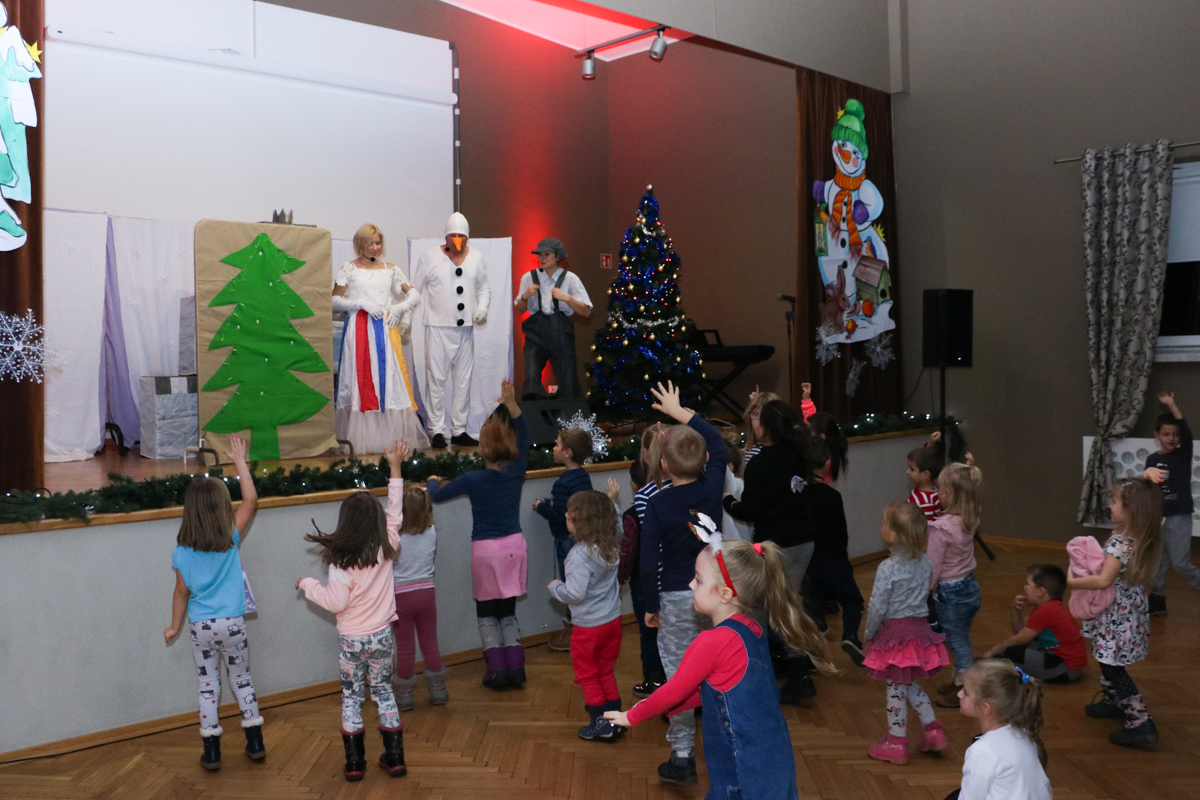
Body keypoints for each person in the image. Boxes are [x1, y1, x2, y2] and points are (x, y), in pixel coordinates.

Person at [605, 540, 836, 798]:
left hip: (742, 761)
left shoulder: (711, 642)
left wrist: (632, 715)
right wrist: (676, 708)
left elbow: (673, 690)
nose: (690, 585)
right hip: (773, 750)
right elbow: (719, 687)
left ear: (725, 594)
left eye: (698, 580)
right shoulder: (752, 627)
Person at [297, 441, 411, 781]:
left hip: (352, 641)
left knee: (351, 697)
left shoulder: (341, 562)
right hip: (381, 636)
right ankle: (395, 758)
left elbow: (335, 603)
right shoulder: (387, 546)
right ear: (376, 520)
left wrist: (308, 585)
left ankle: (354, 763)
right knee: (383, 692)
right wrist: (395, 467)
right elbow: (395, 513)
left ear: (345, 522)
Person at [640, 380, 728, 786]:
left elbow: (647, 562)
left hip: (676, 598)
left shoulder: (658, 504)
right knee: (720, 669)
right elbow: (718, 442)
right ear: (704, 459)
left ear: (663, 466)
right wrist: (681, 414)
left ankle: (681, 756)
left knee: (679, 677)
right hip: (719, 593)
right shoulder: (712, 486)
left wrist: (650, 606)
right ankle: (726, 743)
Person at [164, 433, 263, 771]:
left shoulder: (181, 552)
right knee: (242, 680)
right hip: (233, 624)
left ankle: (212, 751)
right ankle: (255, 742)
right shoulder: (230, 537)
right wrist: (240, 462)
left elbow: (181, 592)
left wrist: (174, 626)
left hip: (201, 628)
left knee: (208, 687)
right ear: (222, 508)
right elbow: (250, 499)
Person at [427, 381, 530, 689]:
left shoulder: (472, 479)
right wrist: (512, 406)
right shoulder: (516, 472)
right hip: (514, 548)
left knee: (486, 614)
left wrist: (431, 479)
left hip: (485, 552)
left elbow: (437, 495)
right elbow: (525, 434)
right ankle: (516, 667)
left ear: (483, 448)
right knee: (508, 612)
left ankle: (496, 669)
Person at [722, 399, 820, 700]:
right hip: (804, 541)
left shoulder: (761, 463)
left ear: (764, 428)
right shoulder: (800, 453)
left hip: (776, 547)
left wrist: (727, 500)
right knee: (786, 604)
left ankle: (767, 670)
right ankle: (798, 668)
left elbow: (749, 510)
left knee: (763, 609)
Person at [1069, 477, 1164, 747]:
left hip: (1115, 615)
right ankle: (1114, 701)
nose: (1110, 505)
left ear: (1131, 509)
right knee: (1108, 658)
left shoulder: (1120, 543)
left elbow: (1103, 581)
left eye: (1114, 501)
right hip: (1127, 612)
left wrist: (1073, 581)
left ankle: (1140, 721)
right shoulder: (1140, 537)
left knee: (1113, 665)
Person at [862, 502, 951, 765]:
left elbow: (877, 606)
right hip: (920, 630)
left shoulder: (887, 568)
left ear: (892, 534)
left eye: (884, 523)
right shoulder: (925, 562)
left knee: (895, 690)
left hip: (896, 636)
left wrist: (870, 632)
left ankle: (896, 742)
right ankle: (933, 731)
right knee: (909, 684)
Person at [333, 224, 429, 454]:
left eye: (378, 243)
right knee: (362, 382)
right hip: (359, 331)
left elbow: (414, 294)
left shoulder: (390, 269)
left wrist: (399, 309)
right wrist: (360, 304)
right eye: (370, 243)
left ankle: (388, 440)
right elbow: (334, 301)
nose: (375, 247)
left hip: (385, 332)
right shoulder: (349, 268)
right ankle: (364, 440)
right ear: (360, 244)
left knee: (387, 382)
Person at [548, 490, 624, 740]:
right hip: (612, 621)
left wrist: (556, 587)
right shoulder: (612, 543)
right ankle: (616, 720)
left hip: (588, 627)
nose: (566, 516)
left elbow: (575, 594)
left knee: (588, 674)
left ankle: (600, 724)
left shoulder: (578, 556)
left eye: (571, 515)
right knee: (605, 669)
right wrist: (613, 503)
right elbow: (618, 525)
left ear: (582, 524)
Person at [414, 212, 491, 449]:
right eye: (453, 236)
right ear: (446, 237)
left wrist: (482, 309)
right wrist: (405, 319)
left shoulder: (476, 258)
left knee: (463, 381)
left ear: (468, 237)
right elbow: (414, 290)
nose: (458, 240)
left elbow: (484, 288)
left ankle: (459, 430)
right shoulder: (429, 257)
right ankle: (436, 430)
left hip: (465, 330)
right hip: (437, 328)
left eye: (462, 236)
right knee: (435, 381)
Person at [798, 435, 867, 665]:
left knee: (812, 604)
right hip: (834, 559)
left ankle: (816, 637)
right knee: (852, 600)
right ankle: (850, 636)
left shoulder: (799, 496)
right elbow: (841, 531)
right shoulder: (833, 496)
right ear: (827, 463)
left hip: (810, 562)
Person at [533, 427, 595, 652]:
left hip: (566, 540)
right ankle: (586, 630)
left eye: (557, 444)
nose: (553, 448)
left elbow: (560, 516)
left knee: (571, 586)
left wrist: (541, 507)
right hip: (583, 538)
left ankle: (572, 633)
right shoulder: (583, 476)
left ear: (568, 452)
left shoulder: (562, 483)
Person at [953, 660, 1051, 800]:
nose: (959, 694)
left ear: (986, 708)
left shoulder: (982, 751)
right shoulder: (1022, 732)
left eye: (966, 692)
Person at [929, 461, 984, 708]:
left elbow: (933, 566)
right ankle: (959, 679)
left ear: (947, 493)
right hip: (970, 587)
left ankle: (967, 688)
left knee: (956, 641)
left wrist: (926, 591)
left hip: (950, 593)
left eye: (938, 488)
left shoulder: (940, 529)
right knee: (958, 636)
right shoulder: (970, 520)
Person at [1143, 391, 1200, 616]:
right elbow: (1148, 489)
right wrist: (1146, 474)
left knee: (1180, 562)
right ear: (1157, 435)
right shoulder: (1152, 460)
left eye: (1175, 435)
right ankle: (1157, 600)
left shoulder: (1182, 454)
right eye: (1166, 434)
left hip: (1179, 516)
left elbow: (1185, 431)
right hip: (1159, 517)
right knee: (1158, 560)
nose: (1171, 438)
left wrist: (1171, 404)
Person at [391, 483, 447, 710]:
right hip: (426, 593)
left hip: (400, 596)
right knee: (430, 642)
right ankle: (438, 690)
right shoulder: (431, 531)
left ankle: (405, 695)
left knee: (405, 647)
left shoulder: (394, 535)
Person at [513, 237, 592, 399]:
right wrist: (525, 297)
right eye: (539, 254)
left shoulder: (570, 279)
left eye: (547, 254)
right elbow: (519, 310)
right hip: (535, 335)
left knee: (567, 379)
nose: (542, 258)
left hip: (561, 334)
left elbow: (586, 312)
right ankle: (535, 412)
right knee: (531, 376)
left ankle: (569, 413)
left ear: (558, 257)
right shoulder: (528, 277)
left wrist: (567, 298)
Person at [980, 564, 1085, 683]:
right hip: (1069, 666)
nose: (1025, 587)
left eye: (1028, 584)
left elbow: (1018, 640)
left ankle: (1000, 671)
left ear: (1040, 591)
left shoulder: (1046, 611)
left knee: (1011, 652)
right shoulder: (1048, 608)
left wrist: (991, 652)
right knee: (1018, 647)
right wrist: (1015, 611)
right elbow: (1020, 631)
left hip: (1065, 669)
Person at [618, 458, 667, 698]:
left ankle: (653, 679)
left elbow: (627, 553)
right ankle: (670, 676)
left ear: (634, 485)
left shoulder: (631, 516)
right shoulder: (668, 503)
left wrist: (620, 578)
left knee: (648, 631)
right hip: (666, 577)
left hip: (642, 581)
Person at [906, 434, 944, 521]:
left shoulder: (924, 501)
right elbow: (927, 459)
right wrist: (931, 443)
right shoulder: (934, 489)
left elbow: (926, 526)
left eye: (912, 469)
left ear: (926, 474)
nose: (907, 472)